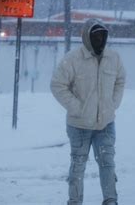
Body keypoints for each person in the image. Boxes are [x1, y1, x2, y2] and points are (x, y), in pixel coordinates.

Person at [50, 18, 126, 205]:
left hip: (106, 124)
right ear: (87, 37)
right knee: (78, 166)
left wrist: (113, 103)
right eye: (96, 36)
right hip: (79, 125)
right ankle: (74, 201)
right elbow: (57, 85)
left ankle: (111, 200)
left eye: (102, 36)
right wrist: (77, 108)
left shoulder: (113, 58)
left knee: (107, 163)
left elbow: (120, 80)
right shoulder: (72, 59)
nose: (100, 40)